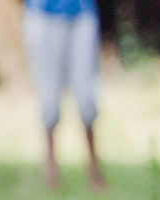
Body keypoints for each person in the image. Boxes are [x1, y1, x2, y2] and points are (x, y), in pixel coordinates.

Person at [23, 0, 105, 190]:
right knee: (48, 96)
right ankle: (51, 169)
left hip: (82, 12)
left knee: (87, 96)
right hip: (43, 14)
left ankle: (94, 167)